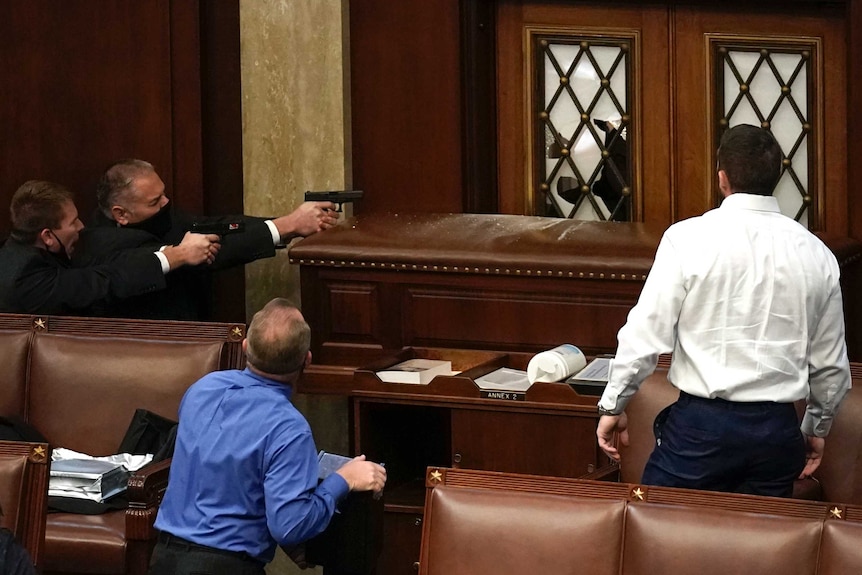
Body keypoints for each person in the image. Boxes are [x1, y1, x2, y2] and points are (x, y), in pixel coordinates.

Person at [595, 124, 851, 498]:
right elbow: (830, 365)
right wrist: (816, 427)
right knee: (763, 550)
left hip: (702, 428)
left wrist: (613, 403)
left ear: (722, 178)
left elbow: (645, 334)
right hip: (777, 432)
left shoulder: (686, 239)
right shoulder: (817, 254)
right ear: (776, 178)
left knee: (660, 537)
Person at [149, 298, 386, 575]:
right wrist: (343, 480)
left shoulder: (201, 390)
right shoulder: (289, 428)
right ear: (306, 360)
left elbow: (230, 476)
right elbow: (290, 526)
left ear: (246, 346)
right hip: (227, 567)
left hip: (163, 558)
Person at [74, 159, 339, 320]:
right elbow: (210, 250)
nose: (166, 204)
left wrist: (288, 223)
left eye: (164, 194)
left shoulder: (157, 217)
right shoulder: (104, 244)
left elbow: (216, 227)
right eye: (155, 202)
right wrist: (287, 225)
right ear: (121, 214)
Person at [0, 180, 219, 315]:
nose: (81, 226)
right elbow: (105, 281)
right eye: (73, 222)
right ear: (48, 236)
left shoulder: (16, 251)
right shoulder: (26, 278)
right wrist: (178, 254)